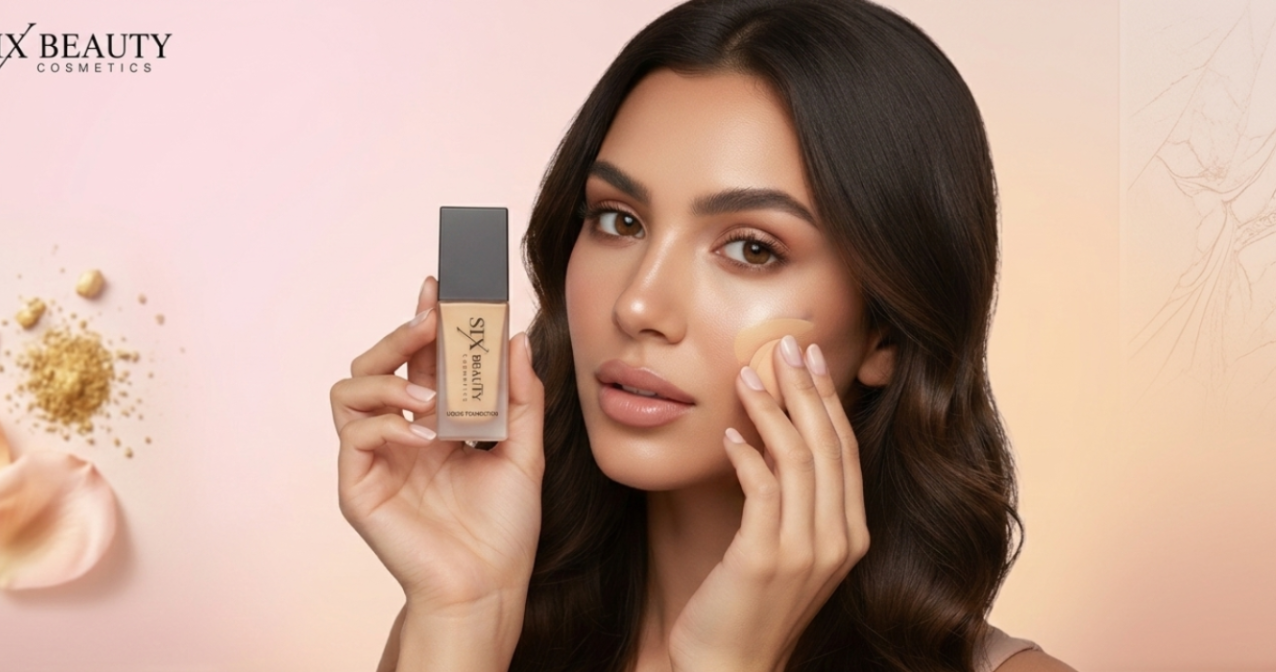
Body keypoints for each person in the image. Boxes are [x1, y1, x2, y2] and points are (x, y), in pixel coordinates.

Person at [330, 0, 1077, 670]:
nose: (640, 305)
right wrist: (464, 613)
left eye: (752, 248)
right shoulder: (462, 631)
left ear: (887, 333)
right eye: (619, 220)